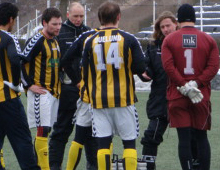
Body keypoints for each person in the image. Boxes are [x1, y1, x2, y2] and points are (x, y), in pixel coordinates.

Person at [82, 2, 146, 170]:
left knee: (103, 144)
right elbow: (140, 68)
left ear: (99, 18)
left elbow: (84, 69)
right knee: (129, 144)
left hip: (98, 100)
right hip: (123, 98)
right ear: (118, 17)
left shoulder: (90, 40)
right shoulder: (129, 39)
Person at [161, 4, 219, 170]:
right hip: (200, 95)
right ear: (194, 18)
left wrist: (184, 85)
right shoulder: (208, 40)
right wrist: (196, 83)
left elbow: (168, 66)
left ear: (178, 20)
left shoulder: (169, 40)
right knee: (201, 137)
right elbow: (214, 66)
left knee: (184, 139)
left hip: (178, 95)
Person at [48, 2, 97, 170]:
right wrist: (76, 80)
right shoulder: (60, 33)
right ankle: (55, 165)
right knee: (62, 129)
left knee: (90, 131)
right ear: (68, 15)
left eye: (81, 16)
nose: (79, 19)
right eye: (75, 16)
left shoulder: (89, 32)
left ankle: (93, 164)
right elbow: (61, 61)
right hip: (68, 88)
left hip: (88, 91)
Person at [0, 2, 40, 170]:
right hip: (8, 100)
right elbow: (15, 60)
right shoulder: (8, 38)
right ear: (11, 19)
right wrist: (16, 83)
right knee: (23, 143)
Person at [21, 7, 62, 170]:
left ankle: (38, 165)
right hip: (41, 92)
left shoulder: (55, 40)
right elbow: (20, 62)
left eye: (59, 24)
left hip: (53, 93)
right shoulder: (36, 40)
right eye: (54, 24)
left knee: (47, 129)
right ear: (44, 23)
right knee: (42, 130)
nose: (58, 27)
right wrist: (29, 85)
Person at [139, 11, 177, 170]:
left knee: (191, 137)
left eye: (168, 25)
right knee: (151, 136)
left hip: (183, 97)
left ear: (176, 24)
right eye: (162, 27)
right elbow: (148, 70)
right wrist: (143, 73)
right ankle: (148, 167)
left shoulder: (185, 43)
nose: (166, 29)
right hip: (160, 99)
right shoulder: (154, 47)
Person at [59, 27, 100, 170]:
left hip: (87, 95)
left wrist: (78, 81)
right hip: (108, 98)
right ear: (118, 18)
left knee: (79, 138)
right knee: (107, 140)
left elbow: (64, 61)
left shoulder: (87, 36)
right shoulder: (122, 36)